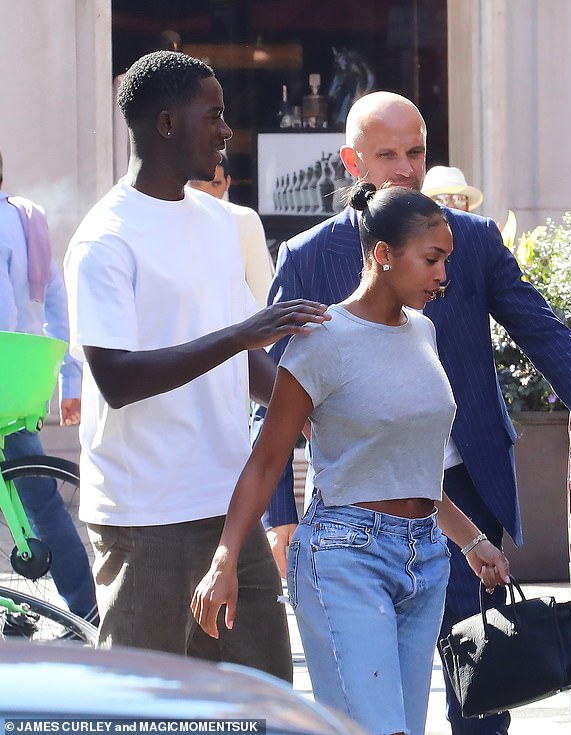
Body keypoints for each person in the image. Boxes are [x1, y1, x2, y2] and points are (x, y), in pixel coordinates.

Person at [252, 91, 571, 734]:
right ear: (352, 161)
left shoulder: (473, 242)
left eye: (416, 152)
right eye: (387, 155)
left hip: (464, 489)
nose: (404, 168)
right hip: (358, 505)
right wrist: (281, 515)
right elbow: (270, 384)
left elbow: (543, 333)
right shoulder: (309, 257)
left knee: (481, 687)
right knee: (375, 700)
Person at [192, 182, 510, 735]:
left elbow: (413, 463)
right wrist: (226, 558)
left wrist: (471, 540)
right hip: (345, 556)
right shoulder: (323, 340)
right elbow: (267, 459)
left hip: (426, 557)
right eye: (432, 260)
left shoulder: (425, 332)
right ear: (383, 255)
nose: (443, 276)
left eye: (446, 261)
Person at [63, 51, 329, 677]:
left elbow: (247, 358)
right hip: (145, 514)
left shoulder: (216, 223)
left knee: (264, 692)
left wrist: (311, 414)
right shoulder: (105, 237)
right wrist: (241, 337)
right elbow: (117, 377)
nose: (227, 130)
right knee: (145, 705)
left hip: (230, 504)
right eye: (213, 115)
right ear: (166, 124)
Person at [0, 151, 97, 622]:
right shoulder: (25, 222)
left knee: (35, 495)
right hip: (19, 383)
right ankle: (83, 608)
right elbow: (59, 306)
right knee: (40, 499)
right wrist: (68, 378)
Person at [189, 152, 274, 307]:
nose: (209, 192)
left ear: (227, 183)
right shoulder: (170, 220)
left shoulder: (245, 220)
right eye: (200, 184)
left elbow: (262, 297)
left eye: (216, 184)